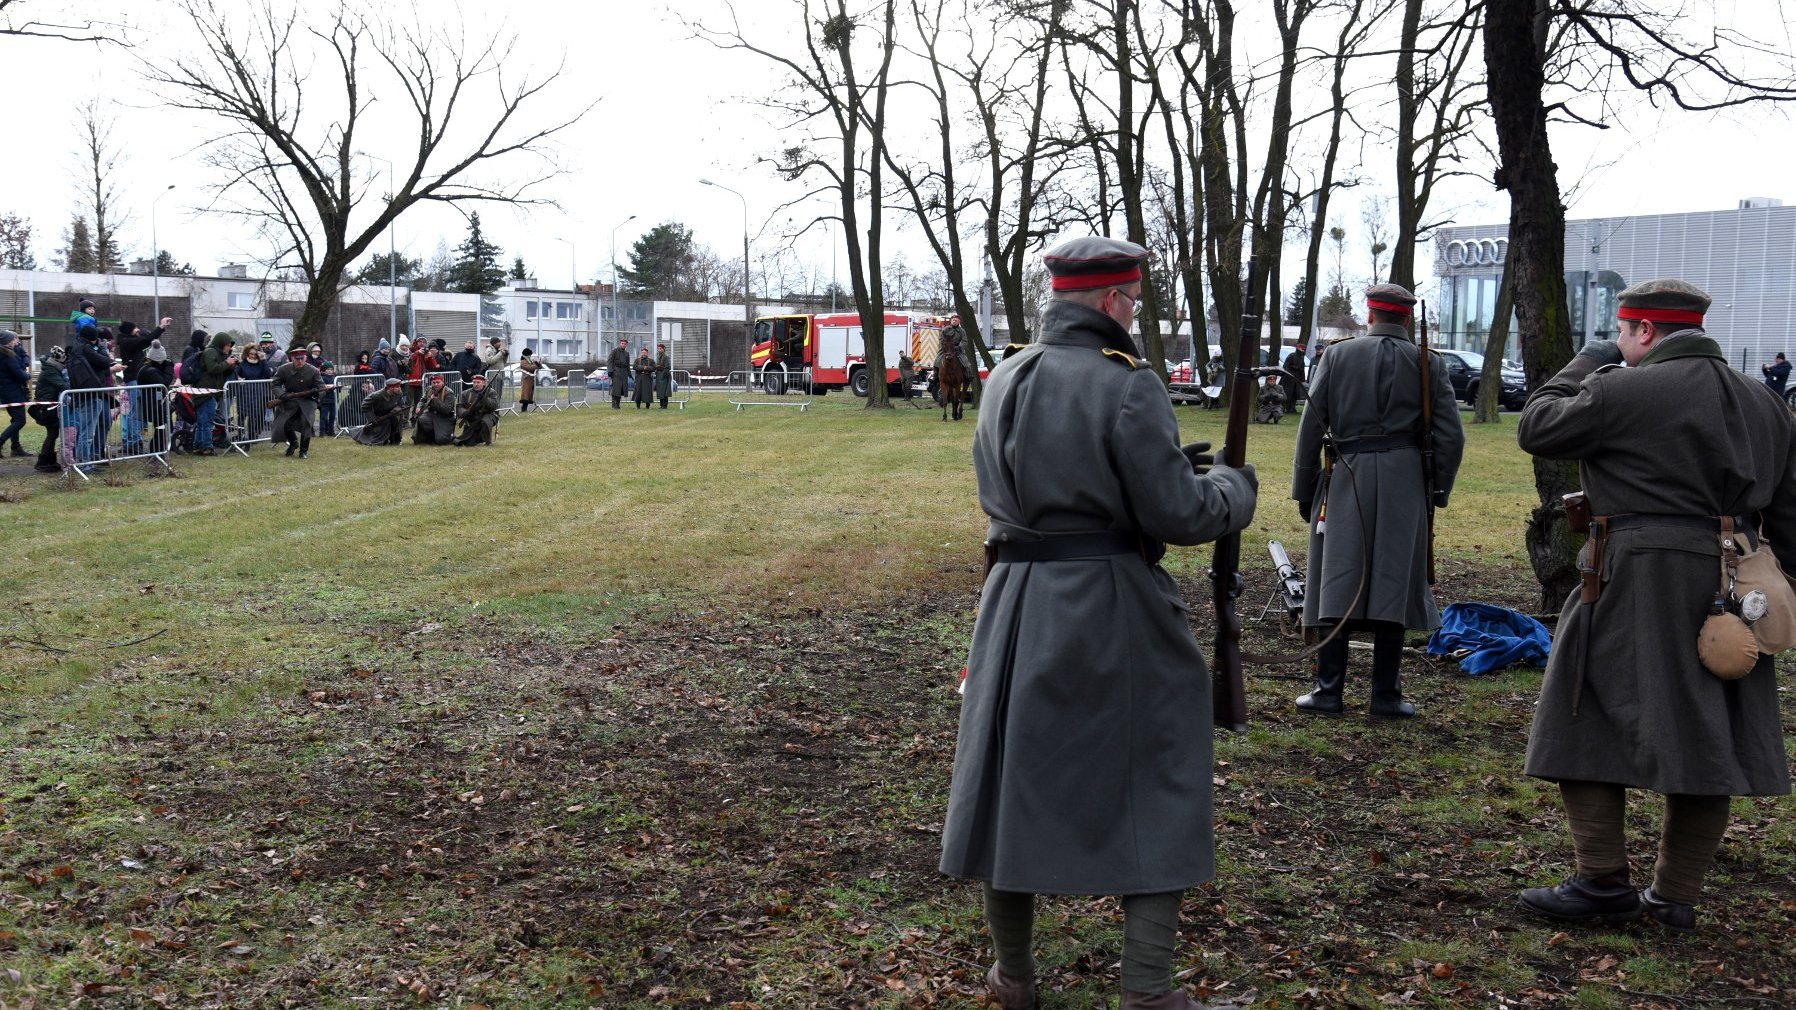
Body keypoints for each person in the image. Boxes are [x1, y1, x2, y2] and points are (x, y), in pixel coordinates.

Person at [939, 236, 1258, 1010]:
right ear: (1114, 300)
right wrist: (1231, 488)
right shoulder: (1128, 384)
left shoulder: (1004, 372)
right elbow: (1179, 516)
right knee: (1160, 775)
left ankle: (1012, 978)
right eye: (1135, 302)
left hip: (1012, 602)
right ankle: (1149, 992)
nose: (1136, 315)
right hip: (1107, 606)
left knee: (1012, 787)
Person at [1515, 278, 1796, 932]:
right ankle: (1674, 897)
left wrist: (1585, 364)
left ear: (1643, 330)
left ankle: (1601, 881)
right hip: (1735, 582)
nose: (1620, 341)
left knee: (1580, 715)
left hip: (1630, 575)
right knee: (1711, 733)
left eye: (1622, 331)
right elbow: (1789, 513)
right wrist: (1771, 591)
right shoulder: (1766, 402)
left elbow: (1537, 426)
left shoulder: (1620, 388)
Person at [1290, 282, 1465, 718]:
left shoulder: (1337, 355)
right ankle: (1385, 695)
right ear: (1405, 318)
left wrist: (1304, 488)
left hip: (1346, 474)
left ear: (1370, 315)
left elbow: (1310, 428)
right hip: (1405, 480)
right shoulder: (1428, 363)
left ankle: (1329, 691)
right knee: (1394, 579)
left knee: (1337, 577)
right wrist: (1436, 491)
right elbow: (1451, 437)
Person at [269, 345, 325, 458]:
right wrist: (281, 394)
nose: (299, 361)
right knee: (283, 423)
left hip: (307, 401)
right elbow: (275, 384)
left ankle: (303, 451)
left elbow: (322, 388)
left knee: (306, 423)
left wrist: (316, 394)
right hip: (289, 400)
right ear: (291, 358)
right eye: (297, 359)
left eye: (302, 358)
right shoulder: (283, 369)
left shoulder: (313, 371)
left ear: (305, 358)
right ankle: (293, 443)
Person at [191, 332, 239, 457]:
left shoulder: (219, 354)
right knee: (206, 422)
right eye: (228, 345)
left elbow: (221, 372)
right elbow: (213, 368)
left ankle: (197, 447)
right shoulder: (211, 352)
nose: (229, 348)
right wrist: (227, 363)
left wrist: (231, 366)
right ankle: (207, 448)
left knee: (203, 421)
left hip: (210, 392)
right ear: (221, 344)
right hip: (206, 392)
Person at [31, 345, 68, 472]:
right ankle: (43, 462)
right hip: (47, 406)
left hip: (49, 405)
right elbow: (62, 385)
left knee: (53, 433)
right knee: (52, 433)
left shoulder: (50, 368)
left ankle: (49, 461)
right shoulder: (50, 371)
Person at [133, 341, 174, 453]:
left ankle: (159, 450)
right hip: (154, 404)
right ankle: (157, 450)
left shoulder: (146, 367)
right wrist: (169, 369)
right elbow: (164, 383)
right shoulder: (151, 371)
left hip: (153, 402)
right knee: (160, 427)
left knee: (161, 427)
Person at [0, 331, 31, 458]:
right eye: (14, 339)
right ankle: (1, 441)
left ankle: (16, 447)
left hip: (5, 392)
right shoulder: (8, 356)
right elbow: (19, 374)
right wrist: (27, 375)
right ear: (8, 341)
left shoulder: (4, 354)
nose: (16, 342)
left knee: (15, 419)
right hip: (13, 392)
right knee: (20, 420)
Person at [353, 377, 407, 445]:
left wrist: (396, 410)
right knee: (385, 423)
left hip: (391, 414)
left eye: (399, 386)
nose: (399, 388)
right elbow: (365, 405)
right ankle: (378, 440)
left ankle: (395, 440)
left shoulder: (399, 393)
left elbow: (401, 405)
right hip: (378, 416)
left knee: (396, 421)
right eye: (397, 387)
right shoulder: (376, 395)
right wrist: (372, 418)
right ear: (390, 388)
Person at [411, 372, 457, 445]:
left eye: (438, 382)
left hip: (445, 417)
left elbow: (446, 410)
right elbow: (423, 400)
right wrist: (419, 407)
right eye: (433, 382)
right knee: (422, 419)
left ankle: (449, 437)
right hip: (431, 414)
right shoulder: (429, 389)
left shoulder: (449, 392)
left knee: (441, 441)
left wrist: (435, 400)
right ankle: (428, 438)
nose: (436, 384)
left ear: (443, 382)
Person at [454, 372, 499, 446]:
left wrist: (484, 398)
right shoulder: (466, 393)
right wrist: (464, 412)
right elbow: (459, 406)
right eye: (474, 382)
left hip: (488, 414)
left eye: (478, 382)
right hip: (473, 415)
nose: (476, 384)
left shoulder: (491, 392)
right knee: (468, 443)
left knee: (485, 421)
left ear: (484, 383)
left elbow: (494, 406)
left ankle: (488, 441)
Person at [310, 343, 338, 436]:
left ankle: (331, 431)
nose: (330, 371)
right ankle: (321, 432)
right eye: (315, 351)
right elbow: (322, 386)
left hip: (333, 400)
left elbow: (336, 388)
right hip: (324, 399)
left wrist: (338, 387)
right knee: (322, 416)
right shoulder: (322, 377)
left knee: (332, 416)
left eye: (331, 369)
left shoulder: (334, 377)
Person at [1282, 343, 1307, 412]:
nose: (1303, 350)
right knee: (1288, 393)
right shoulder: (1291, 355)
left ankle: (1292, 407)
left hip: (1297, 378)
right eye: (1302, 349)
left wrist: (1302, 379)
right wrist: (1290, 372)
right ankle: (1287, 407)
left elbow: (1302, 369)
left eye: (1303, 349)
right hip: (1289, 378)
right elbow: (1285, 366)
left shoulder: (1302, 357)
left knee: (1295, 393)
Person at [606, 342, 631, 409]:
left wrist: (629, 373)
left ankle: (617, 405)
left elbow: (628, 365)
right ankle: (614, 405)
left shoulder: (626, 353)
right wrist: (610, 371)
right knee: (615, 389)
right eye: (622, 343)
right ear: (620, 344)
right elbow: (609, 361)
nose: (623, 345)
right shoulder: (614, 351)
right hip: (616, 372)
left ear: (626, 345)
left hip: (624, 373)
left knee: (621, 389)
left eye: (625, 344)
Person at [518, 347, 542, 411]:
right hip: (526, 380)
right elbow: (530, 368)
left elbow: (538, 367)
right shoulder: (523, 361)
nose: (530, 356)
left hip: (531, 379)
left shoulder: (530, 360)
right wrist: (536, 364)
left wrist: (538, 363)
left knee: (529, 395)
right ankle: (524, 408)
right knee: (526, 395)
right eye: (529, 355)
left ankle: (525, 408)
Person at [655, 343, 673, 409]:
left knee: (664, 391)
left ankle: (665, 405)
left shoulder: (666, 357)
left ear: (663, 349)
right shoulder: (658, 356)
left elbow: (667, 367)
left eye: (660, 349)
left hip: (664, 375)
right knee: (660, 391)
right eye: (658, 348)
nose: (659, 350)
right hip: (659, 375)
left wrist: (663, 374)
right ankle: (661, 405)